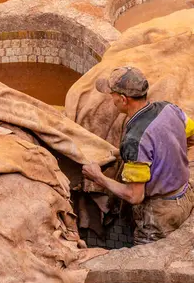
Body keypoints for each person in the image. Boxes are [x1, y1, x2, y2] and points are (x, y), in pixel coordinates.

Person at [82, 66, 194, 245]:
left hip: (160, 214)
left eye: (112, 95)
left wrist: (98, 177)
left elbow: (135, 196)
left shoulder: (134, 139)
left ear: (123, 99)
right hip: (184, 195)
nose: (111, 99)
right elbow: (190, 136)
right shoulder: (169, 109)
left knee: (150, 263)